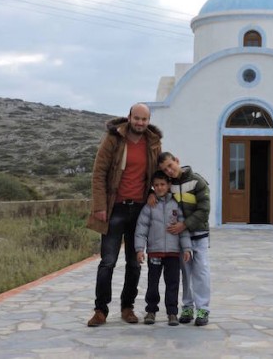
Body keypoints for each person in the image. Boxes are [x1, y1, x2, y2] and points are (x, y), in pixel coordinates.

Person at [86, 103, 162, 327]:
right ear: (129, 117)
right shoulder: (114, 139)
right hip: (114, 208)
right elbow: (99, 172)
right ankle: (101, 310)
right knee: (107, 261)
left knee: (134, 263)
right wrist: (100, 205)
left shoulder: (153, 142)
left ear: (148, 121)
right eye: (136, 118)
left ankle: (127, 307)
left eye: (144, 119)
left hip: (139, 210)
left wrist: (150, 193)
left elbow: (157, 173)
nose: (140, 123)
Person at [157, 151, 211, 326]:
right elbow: (158, 192)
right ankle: (187, 307)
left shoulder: (197, 181)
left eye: (170, 166)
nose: (169, 171)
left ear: (177, 161)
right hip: (180, 239)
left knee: (201, 271)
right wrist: (151, 194)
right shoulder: (169, 185)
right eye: (165, 169)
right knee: (185, 273)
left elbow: (204, 211)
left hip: (199, 235)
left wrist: (184, 225)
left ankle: (202, 309)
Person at [135, 170, 192, 326]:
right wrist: (140, 249)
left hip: (173, 253)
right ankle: (151, 311)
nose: (159, 188)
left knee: (173, 283)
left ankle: (172, 313)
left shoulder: (176, 205)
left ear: (168, 185)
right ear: (153, 187)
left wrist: (187, 248)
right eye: (156, 185)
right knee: (153, 282)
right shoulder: (150, 206)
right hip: (155, 252)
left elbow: (183, 230)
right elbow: (141, 229)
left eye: (162, 184)